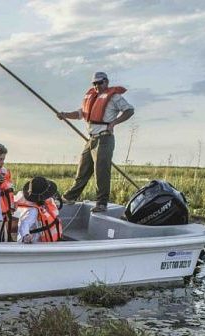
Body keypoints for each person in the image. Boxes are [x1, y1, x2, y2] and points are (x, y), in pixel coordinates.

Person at [56, 71, 134, 213]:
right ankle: (70, 197)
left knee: (101, 172)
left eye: (100, 82)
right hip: (91, 139)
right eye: (95, 83)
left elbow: (129, 110)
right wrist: (65, 115)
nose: (97, 85)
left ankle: (102, 203)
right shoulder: (91, 97)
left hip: (104, 138)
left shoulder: (115, 97)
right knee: (83, 170)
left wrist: (114, 123)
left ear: (106, 82)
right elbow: (81, 114)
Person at [14, 176, 62, 243]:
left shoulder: (44, 203)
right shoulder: (33, 211)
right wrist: (26, 235)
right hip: (36, 242)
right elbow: (24, 223)